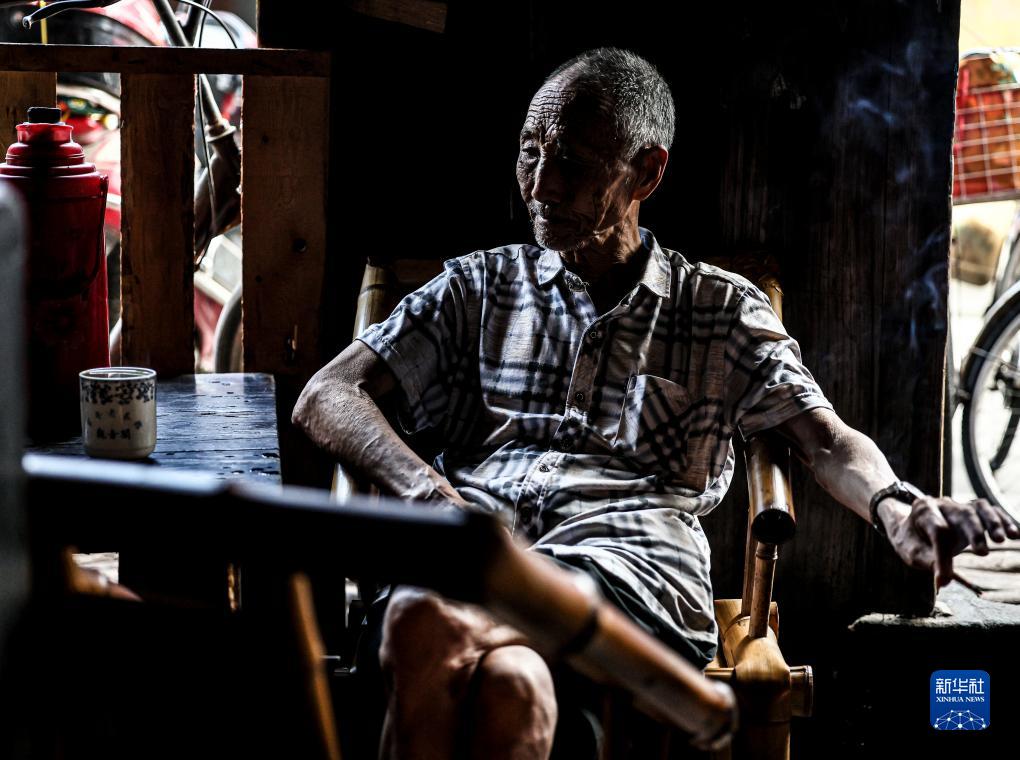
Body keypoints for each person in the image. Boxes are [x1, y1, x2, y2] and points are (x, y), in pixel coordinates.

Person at [292, 47, 1020, 760]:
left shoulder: (717, 309)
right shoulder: (480, 287)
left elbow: (825, 441)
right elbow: (327, 393)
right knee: (512, 688)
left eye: (572, 163)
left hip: (628, 575)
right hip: (476, 553)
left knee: (420, 617)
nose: (541, 186)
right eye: (529, 153)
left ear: (646, 171)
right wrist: (430, 494)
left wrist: (897, 506)